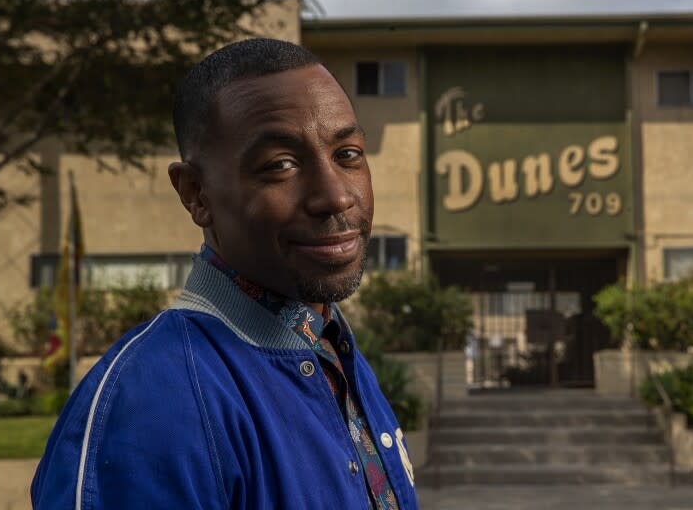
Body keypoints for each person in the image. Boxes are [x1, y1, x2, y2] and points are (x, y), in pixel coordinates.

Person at [31, 38, 419, 510]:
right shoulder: (151, 406)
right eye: (281, 165)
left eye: (348, 154)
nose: (335, 196)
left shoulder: (332, 349)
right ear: (196, 193)